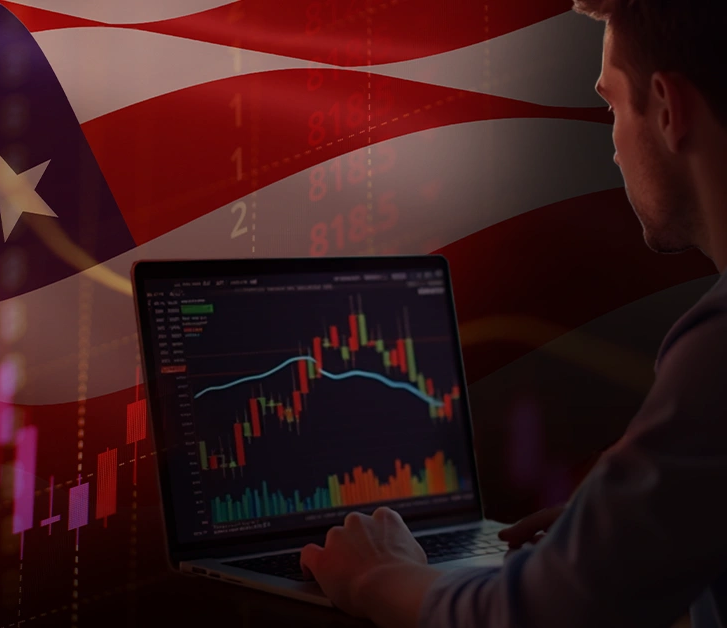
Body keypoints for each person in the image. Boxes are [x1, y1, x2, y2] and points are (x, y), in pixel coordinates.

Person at [298, 0, 727, 626]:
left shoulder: (718, 349)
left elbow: (537, 614)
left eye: (611, 105)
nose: (612, 146)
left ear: (668, 109)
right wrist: (632, 538)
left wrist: (376, 575)